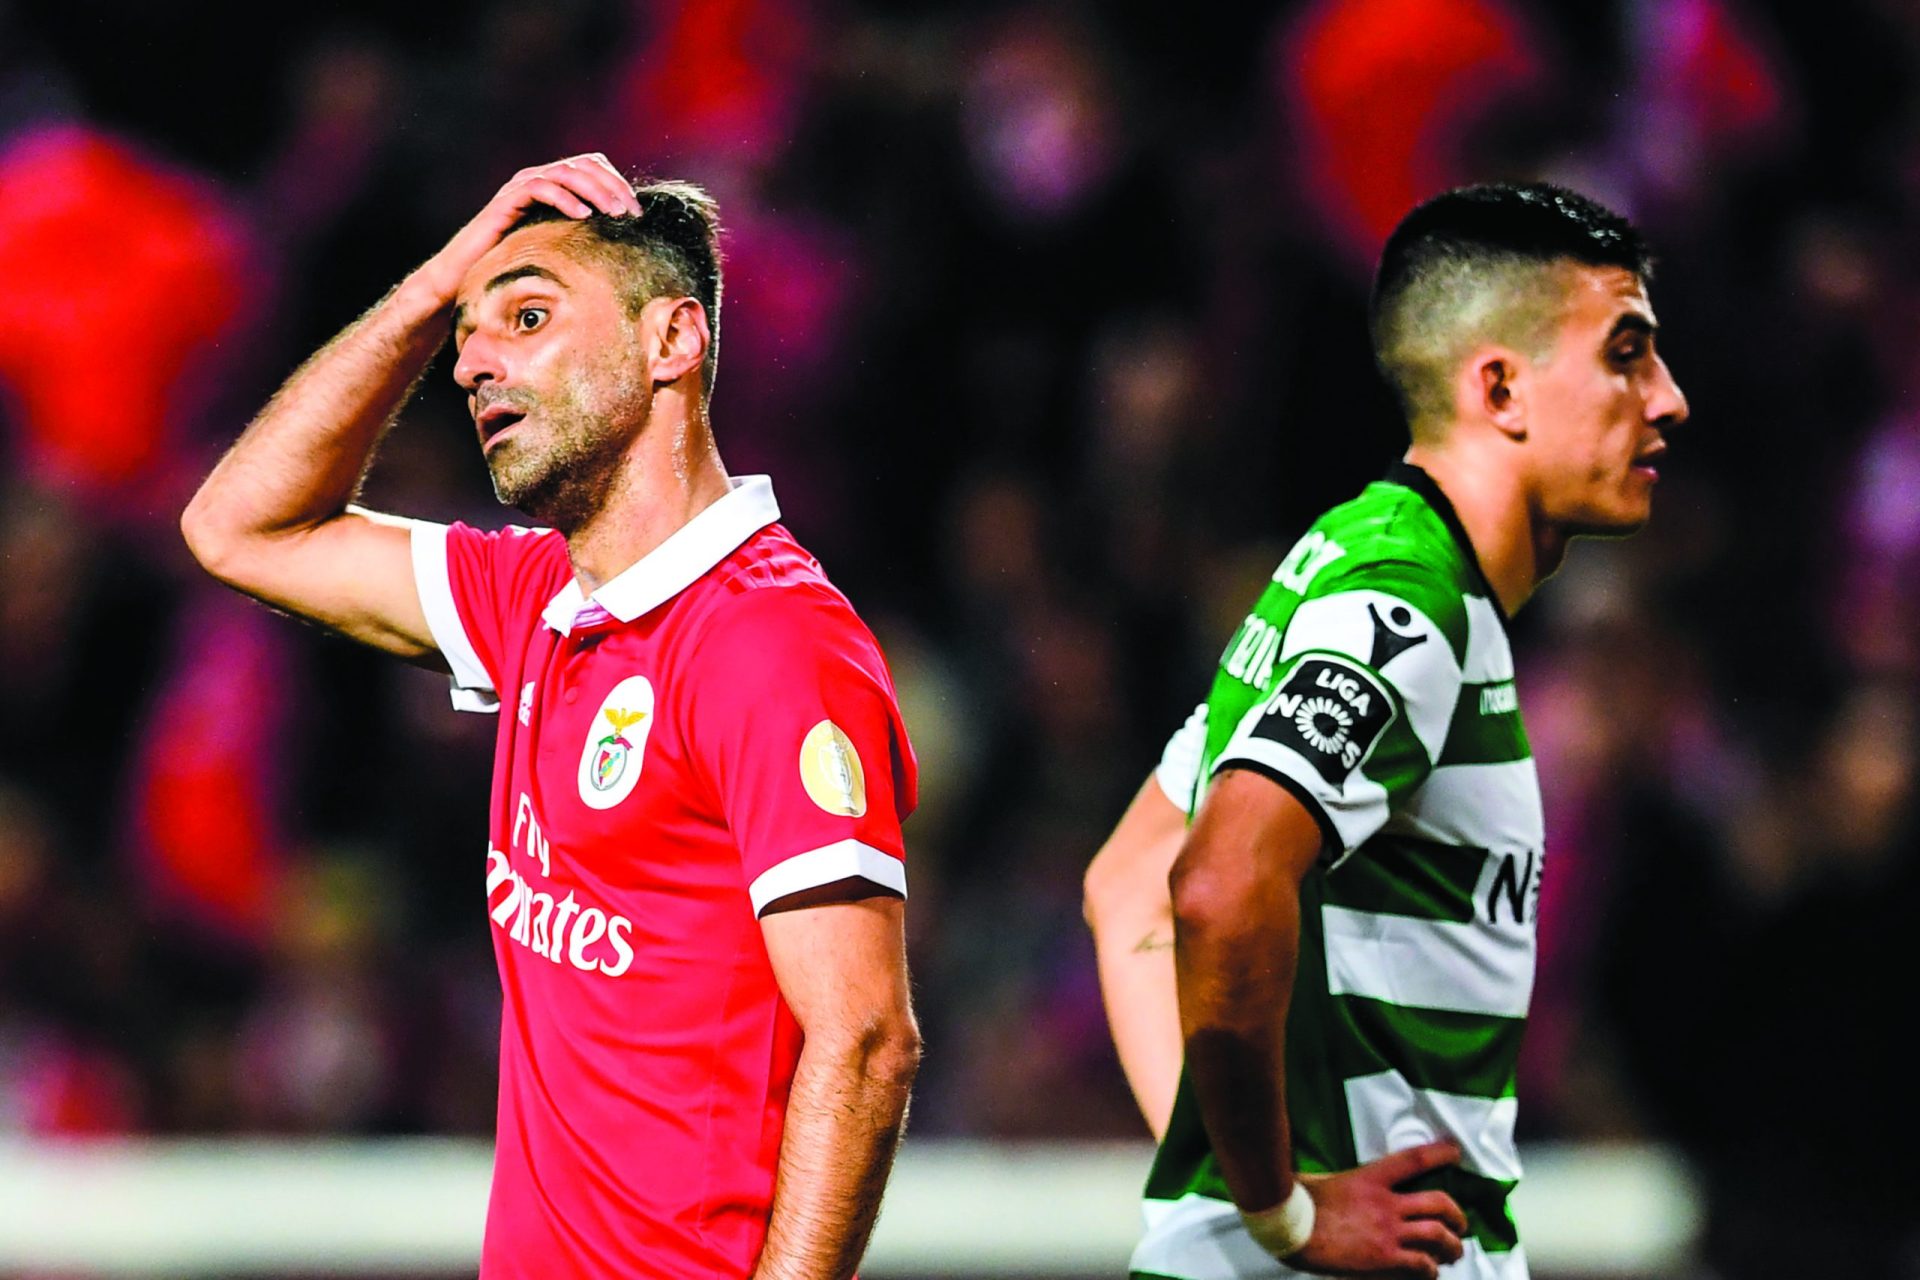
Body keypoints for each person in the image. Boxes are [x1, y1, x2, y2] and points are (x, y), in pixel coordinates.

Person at [182, 155, 922, 1279]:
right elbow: (239, 526)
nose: (476, 363)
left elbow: (866, 1043)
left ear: (673, 341)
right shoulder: (534, 603)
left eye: (527, 314)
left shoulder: (771, 644)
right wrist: (434, 291)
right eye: (468, 338)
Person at [1084, 182, 1689, 1280]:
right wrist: (1278, 1208)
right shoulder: (1410, 604)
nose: (1670, 400)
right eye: (1628, 353)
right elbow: (1213, 885)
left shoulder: (1343, 565)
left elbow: (1126, 882)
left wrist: (1231, 1179)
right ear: (1500, 385)